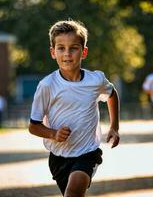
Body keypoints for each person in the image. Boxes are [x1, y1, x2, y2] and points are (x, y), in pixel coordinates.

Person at [29, 20, 120, 197]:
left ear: (83, 51)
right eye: (61, 48)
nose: (67, 54)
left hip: (87, 153)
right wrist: (53, 134)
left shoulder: (96, 80)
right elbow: (33, 126)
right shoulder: (46, 86)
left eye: (74, 48)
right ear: (52, 52)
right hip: (58, 158)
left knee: (73, 192)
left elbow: (112, 94)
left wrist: (114, 127)